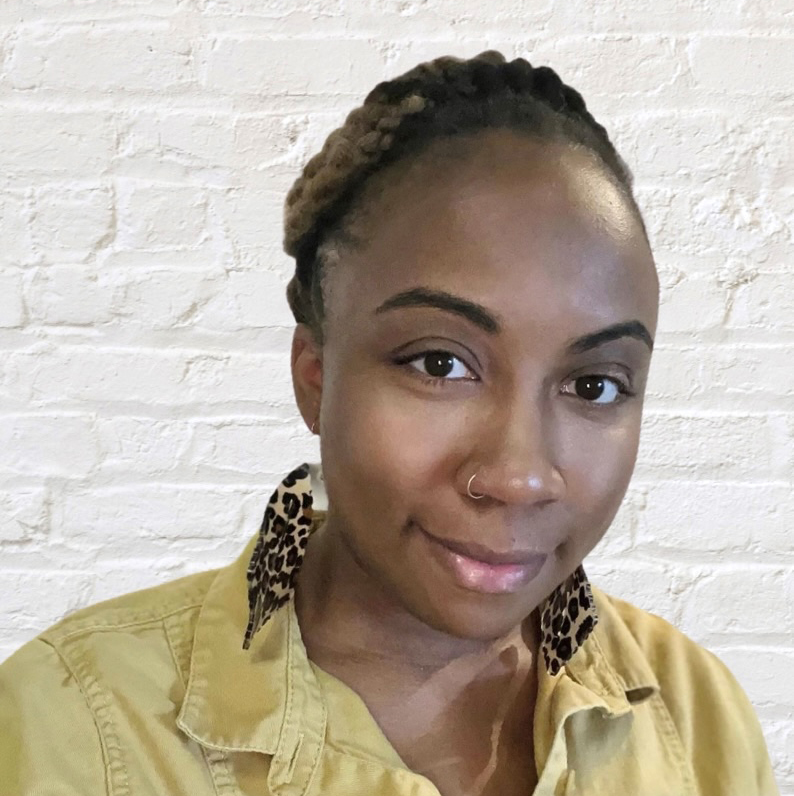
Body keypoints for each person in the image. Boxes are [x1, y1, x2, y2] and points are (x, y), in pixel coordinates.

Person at [0, 50, 780, 796]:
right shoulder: (77, 727)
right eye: (440, 364)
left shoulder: (691, 713)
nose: (519, 475)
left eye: (594, 384)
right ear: (316, 375)